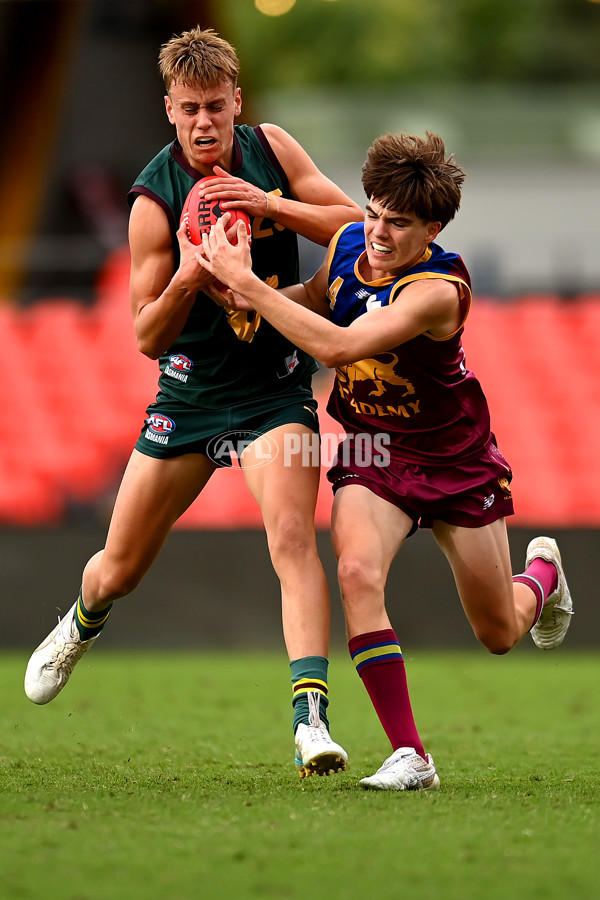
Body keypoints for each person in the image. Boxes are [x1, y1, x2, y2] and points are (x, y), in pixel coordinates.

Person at [24, 25, 364, 779]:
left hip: (274, 387)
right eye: (190, 109)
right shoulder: (153, 199)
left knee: (292, 542)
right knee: (116, 570)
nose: (205, 122)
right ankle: (80, 624)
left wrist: (266, 206)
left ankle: (311, 717)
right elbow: (145, 335)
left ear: (237, 103)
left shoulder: (270, 150)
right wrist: (189, 271)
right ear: (169, 111)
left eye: (217, 106)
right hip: (190, 395)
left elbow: (354, 226)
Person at [195, 130, 574, 792]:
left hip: (455, 460)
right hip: (377, 451)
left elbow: (340, 347)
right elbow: (319, 301)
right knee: (356, 573)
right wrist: (245, 299)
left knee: (500, 633)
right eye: (371, 211)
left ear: (431, 228)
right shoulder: (347, 244)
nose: (376, 231)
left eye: (396, 223)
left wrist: (250, 287)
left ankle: (540, 574)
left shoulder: (437, 290)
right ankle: (411, 755)